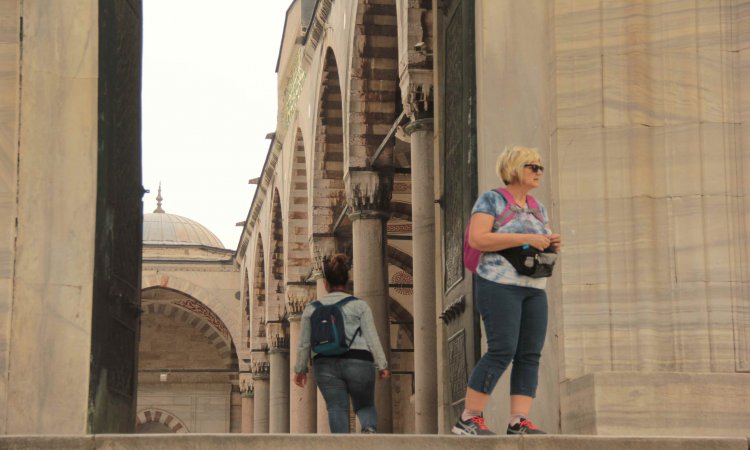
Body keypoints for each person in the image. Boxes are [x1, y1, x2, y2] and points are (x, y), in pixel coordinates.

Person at [452, 146, 562, 436]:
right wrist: (525, 237)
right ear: (514, 169)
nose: (539, 171)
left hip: (534, 288)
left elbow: (534, 243)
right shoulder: (492, 200)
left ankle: (518, 421)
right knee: (502, 349)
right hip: (499, 285)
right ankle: (469, 417)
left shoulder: (538, 207)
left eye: (540, 166)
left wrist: (549, 242)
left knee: (529, 354)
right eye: (532, 166)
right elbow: (478, 239)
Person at [293, 253, 390, 433]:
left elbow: (304, 343)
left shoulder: (311, 309)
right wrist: (382, 364)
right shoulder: (360, 305)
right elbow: (372, 337)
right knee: (364, 405)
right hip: (359, 362)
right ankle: (368, 431)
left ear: (325, 284)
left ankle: (341, 444)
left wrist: (300, 370)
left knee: (336, 407)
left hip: (324, 364)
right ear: (347, 282)